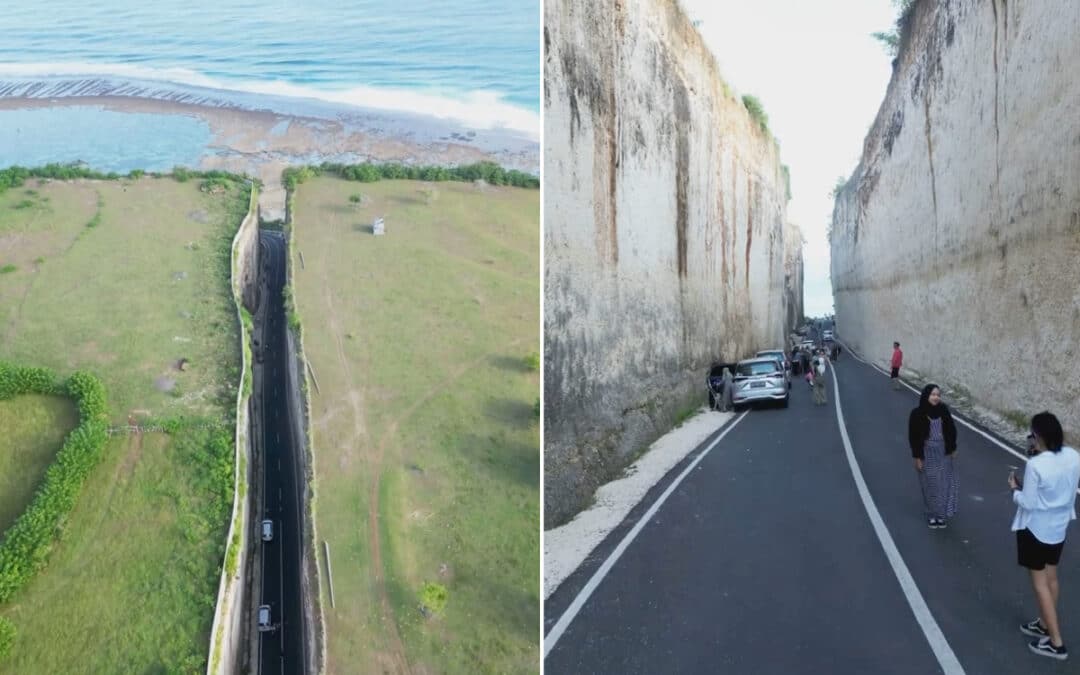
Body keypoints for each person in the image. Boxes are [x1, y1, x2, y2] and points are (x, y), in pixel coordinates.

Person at [1009, 411, 1080, 661]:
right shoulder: (1073, 456)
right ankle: (1043, 623)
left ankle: (1056, 642)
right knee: (1052, 578)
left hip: (1036, 529)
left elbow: (1027, 502)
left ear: (1037, 437)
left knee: (1040, 584)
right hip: (1058, 528)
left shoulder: (1036, 465)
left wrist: (1014, 489)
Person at [908, 384, 958, 528]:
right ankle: (931, 514)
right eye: (933, 394)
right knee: (929, 485)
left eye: (938, 395)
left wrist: (952, 448)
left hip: (943, 452)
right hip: (926, 452)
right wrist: (917, 457)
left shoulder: (943, 410)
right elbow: (913, 437)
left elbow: (951, 429)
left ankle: (941, 515)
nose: (936, 397)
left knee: (944, 484)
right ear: (926, 395)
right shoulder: (917, 413)